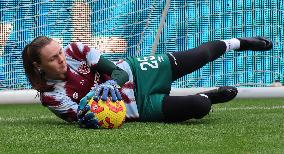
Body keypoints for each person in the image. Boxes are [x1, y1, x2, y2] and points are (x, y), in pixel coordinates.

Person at [22, 36, 273, 128]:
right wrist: (88, 115)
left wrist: (110, 84)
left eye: (60, 53)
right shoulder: (51, 97)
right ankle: (210, 95)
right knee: (200, 107)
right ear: (38, 66)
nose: (62, 59)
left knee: (199, 56)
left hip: (137, 72)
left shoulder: (76, 50)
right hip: (136, 108)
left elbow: (114, 71)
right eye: (53, 59)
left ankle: (238, 43)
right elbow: (82, 117)